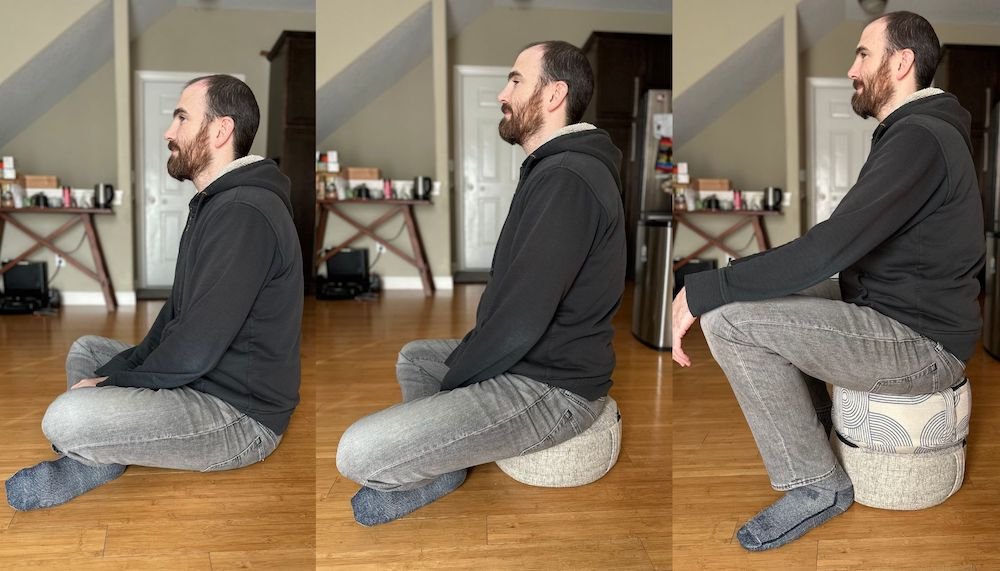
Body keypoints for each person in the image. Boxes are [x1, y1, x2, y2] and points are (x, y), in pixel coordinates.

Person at [673, 11, 984, 551]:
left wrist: (706, 288)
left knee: (729, 320)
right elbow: (838, 247)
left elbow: (827, 249)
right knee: (755, 298)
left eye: (863, 54)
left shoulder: (920, 139)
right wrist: (727, 284)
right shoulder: (915, 133)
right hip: (888, 310)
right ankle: (818, 438)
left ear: (903, 61)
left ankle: (816, 486)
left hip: (920, 343)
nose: (851, 69)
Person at [336, 40, 626, 526]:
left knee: (355, 453)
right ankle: (444, 465)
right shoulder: (553, 169)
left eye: (515, 80)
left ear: (555, 94)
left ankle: (441, 465)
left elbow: (520, 318)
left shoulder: (568, 178)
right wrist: (464, 375)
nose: (501, 93)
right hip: (530, 360)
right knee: (416, 357)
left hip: (552, 388)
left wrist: (459, 383)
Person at [5, 75, 304, 511]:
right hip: (203, 379)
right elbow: (174, 321)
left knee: (64, 417)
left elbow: (194, 348)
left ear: (221, 130)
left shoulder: (243, 213)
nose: (169, 132)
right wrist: (113, 377)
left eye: (182, 118)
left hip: (239, 417)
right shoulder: (216, 203)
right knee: (87, 349)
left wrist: (109, 384)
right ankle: (106, 449)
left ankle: (98, 452)